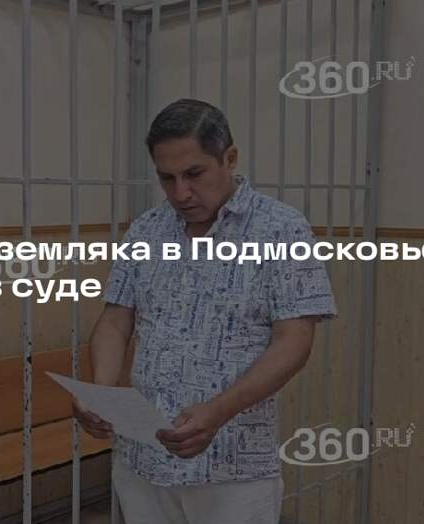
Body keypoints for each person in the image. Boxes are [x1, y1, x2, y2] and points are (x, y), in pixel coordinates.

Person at [74, 98, 336, 524]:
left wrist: (218, 411)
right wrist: (101, 392)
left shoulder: (281, 230)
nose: (180, 193)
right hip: (143, 461)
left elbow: (295, 341)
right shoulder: (146, 230)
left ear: (229, 158)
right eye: (167, 178)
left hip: (233, 468)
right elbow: (116, 319)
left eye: (194, 174)